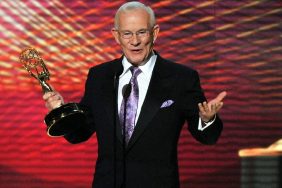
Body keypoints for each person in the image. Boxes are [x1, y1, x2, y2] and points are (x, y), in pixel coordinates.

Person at [43, 1, 227, 188]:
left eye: (141, 32)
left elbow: (208, 137)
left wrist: (207, 120)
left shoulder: (181, 78)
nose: (135, 41)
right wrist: (61, 112)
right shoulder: (100, 76)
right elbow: (79, 134)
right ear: (116, 36)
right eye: (127, 34)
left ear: (154, 33)